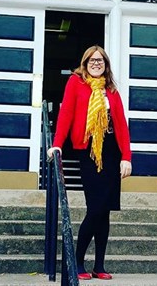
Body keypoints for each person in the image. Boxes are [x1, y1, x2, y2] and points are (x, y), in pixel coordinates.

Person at [47, 45, 132, 280]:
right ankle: (77, 262)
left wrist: (126, 156)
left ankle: (100, 266)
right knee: (95, 208)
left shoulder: (111, 90)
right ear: (85, 63)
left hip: (111, 151)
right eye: (92, 60)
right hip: (88, 150)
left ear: (106, 64)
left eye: (101, 60)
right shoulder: (76, 83)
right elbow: (66, 115)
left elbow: (122, 124)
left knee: (105, 212)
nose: (96, 63)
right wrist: (57, 144)